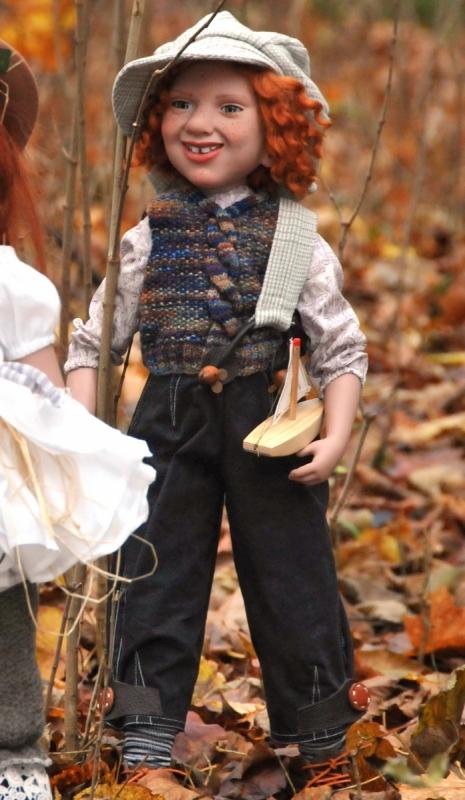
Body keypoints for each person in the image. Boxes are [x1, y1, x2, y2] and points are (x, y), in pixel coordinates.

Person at [65, 11, 369, 771]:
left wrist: (335, 433)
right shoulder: (147, 236)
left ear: (276, 129)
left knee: (292, 572)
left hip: (268, 423)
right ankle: (145, 722)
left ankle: (317, 727)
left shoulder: (295, 237)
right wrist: (81, 431)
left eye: (230, 108)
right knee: (154, 565)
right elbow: (95, 341)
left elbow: (340, 344)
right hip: (167, 418)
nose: (200, 124)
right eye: (181, 104)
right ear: (155, 123)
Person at [0, 41, 155, 799]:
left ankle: (13, 754)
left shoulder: (10, 284)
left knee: (4, 620)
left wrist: (75, 465)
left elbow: (45, 394)